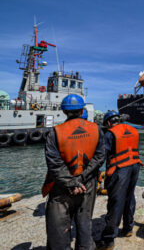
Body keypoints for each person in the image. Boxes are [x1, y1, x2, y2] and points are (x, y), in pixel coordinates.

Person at [42, 94, 105, 250]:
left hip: (62, 187)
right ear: (82, 109)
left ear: (64, 112)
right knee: (84, 222)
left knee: (58, 228)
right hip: (87, 184)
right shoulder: (96, 129)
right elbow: (100, 156)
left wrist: (71, 181)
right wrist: (82, 178)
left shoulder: (55, 132)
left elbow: (54, 163)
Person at [96, 111, 143, 250]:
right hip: (135, 166)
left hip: (120, 170)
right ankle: (128, 228)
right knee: (129, 197)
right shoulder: (133, 130)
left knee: (116, 202)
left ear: (109, 123)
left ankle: (108, 240)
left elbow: (102, 155)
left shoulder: (110, 134)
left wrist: (95, 172)